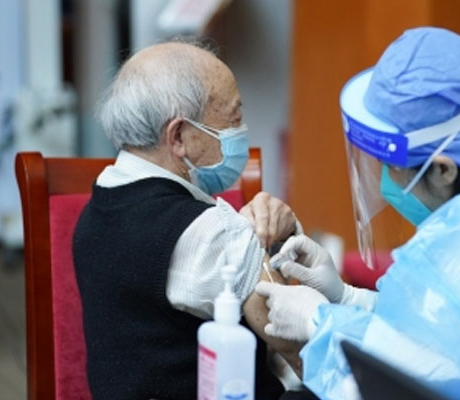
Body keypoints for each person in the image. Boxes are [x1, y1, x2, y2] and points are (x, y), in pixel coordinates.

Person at [256, 27, 460, 399]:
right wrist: (349, 299)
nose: (386, 181)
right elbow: (441, 333)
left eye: (392, 166)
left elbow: (385, 387)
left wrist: (318, 322)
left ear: (443, 170)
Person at [73, 41, 305, 400]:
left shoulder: (97, 208)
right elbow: (308, 354)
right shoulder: (212, 233)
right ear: (179, 136)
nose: (241, 129)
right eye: (234, 118)